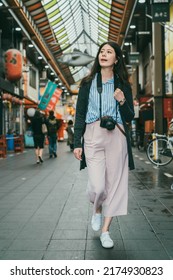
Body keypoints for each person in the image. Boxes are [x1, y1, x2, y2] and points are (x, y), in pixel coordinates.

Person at [73, 41, 135, 249]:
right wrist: (76, 142)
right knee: (98, 186)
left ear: (116, 59)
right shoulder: (87, 83)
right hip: (92, 134)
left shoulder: (123, 85)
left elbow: (129, 117)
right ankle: (97, 209)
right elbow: (80, 114)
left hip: (117, 135)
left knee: (115, 185)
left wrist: (122, 100)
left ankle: (106, 231)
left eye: (109, 52)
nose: (104, 54)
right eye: (102, 51)